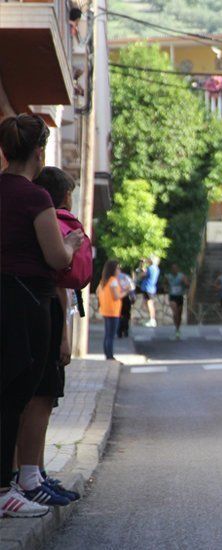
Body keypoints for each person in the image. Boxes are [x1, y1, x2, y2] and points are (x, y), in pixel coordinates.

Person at [1, 114, 84, 517]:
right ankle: (8, 488)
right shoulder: (36, 198)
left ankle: (15, 482)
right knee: (17, 392)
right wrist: (70, 242)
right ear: (40, 152)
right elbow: (56, 257)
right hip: (25, 299)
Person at [15, 166, 83, 509]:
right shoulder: (48, 220)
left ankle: (32, 473)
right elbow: (58, 277)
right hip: (43, 311)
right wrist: (64, 336)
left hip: (29, 306)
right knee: (40, 397)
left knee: (32, 397)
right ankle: (28, 476)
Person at [97, 260, 126, 360]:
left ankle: (107, 354)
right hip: (113, 311)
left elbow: (98, 293)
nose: (119, 270)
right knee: (111, 335)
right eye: (118, 268)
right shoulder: (113, 280)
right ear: (113, 269)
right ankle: (110, 356)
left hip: (105, 310)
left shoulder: (103, 281)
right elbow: (116, 296)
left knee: (107, 334)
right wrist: (126, 291)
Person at [165, 263, 189, 340]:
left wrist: (184, 282)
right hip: (172, 296)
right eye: (172, 268)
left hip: (180, 297)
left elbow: (188, 285)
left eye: (175, 268)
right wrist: (165, 288)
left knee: (179, 314)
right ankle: (176, 327)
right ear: (171, 270)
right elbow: (164, 284)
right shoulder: (168, 276)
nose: (174, 270)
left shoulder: (182, 276)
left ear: (178, 269)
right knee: (175, 312)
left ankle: (177, 329)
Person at [138, 256, 160, 327]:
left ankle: (152, 320)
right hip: (151, 288)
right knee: (147, 304)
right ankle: (151, 319)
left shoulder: (150, 268)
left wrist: (142, 270)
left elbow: (142, 275)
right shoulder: (156, 268)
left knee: (149, 304)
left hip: (148, 288)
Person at [117, 270, 135, 338]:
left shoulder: (115, 277)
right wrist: (133, 298)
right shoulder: (127, 278)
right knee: (126, 315)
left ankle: (119, 330)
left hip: (118, 297)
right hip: (126, 298)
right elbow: (132, 289)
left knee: (119, 314)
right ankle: (125, 330)